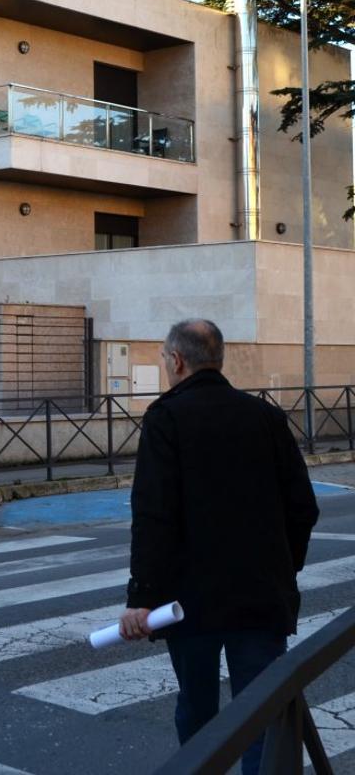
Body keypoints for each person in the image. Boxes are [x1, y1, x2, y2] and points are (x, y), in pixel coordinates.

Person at [118, 319, 318, 774]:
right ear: (219, 360)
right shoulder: (266, 417)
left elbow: (154, 516)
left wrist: (142, 597)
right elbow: (302, 508)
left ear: (177, 361)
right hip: (260, 596)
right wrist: (283, 567)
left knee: (198, 712)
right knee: (262, 714)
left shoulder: (166, 417)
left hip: (189, 603)